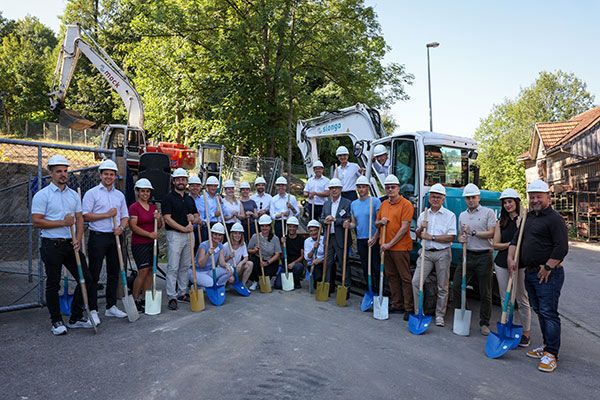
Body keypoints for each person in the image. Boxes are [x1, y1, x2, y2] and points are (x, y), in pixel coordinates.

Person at [508, 180, 568, 373]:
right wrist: (511, 257)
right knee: (540, 310)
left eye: (538, 197)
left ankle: (551, 354)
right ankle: (546, 345)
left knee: (549, 312)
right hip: (531, 272)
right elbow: (517, 239)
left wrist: (549, 267)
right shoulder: (529, 217)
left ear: (547, 198)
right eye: (532, 197)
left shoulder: (554, 219)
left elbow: (561, 247)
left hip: (548, 275)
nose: (534, 200)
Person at [32, 155, 93, 334]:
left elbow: (80, 218)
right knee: (53, 283)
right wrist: (62, 223)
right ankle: (56, 321)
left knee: (87, 280)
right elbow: (36, 221)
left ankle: (75, 317)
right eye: (58, 171)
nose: (63, 174)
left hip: (70, 245)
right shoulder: (42, 195)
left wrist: (78, 237)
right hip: (51, 245)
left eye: (65, 171)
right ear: (50, 173)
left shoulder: (73, 195)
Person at [82, 159, 129, 324]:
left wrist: (121, 228)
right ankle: (93, 309)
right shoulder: (92, 193)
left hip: (115, 236)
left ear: (115, 176)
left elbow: (125, 217)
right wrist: (106, 215)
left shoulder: (119, 195)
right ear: (100, 175)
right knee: (93, 273)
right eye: (106, 174)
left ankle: (111, 307)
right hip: (98, 236)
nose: (109, 177)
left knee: (113, 272)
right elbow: (85, 215)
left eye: (112, 174)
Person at [451, 183, 497, 335]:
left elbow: (491, 233)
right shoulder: (462, 215)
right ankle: (463, 313)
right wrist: (462, 237)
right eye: (468, 198)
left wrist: (473, 232)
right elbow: (459, 235)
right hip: (467, 254)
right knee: (457, 285)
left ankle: (484, 323)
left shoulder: (488, 212)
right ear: (465, 199)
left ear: (478, 197)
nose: (470, 200)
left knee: (485, 292)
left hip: (484, 255)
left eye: (473, 197)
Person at [412, 183, 456, 327]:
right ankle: (419, 312)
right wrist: (420, 228)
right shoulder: (423, 214)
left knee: (442, 286)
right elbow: (418, 235)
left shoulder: (449, 216)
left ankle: (439, 315)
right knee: (416, 282)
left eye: (438, 197)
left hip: (442, 253)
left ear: (443, 199)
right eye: (433, 197)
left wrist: (432, 237)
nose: (435, 199)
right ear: (429, 198)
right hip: (426, 253)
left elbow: (451, 237)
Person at [493, 188, 532, 346]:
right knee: (506, 298)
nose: (508, 205)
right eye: (505, 202)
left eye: (510, 201)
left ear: (516, 202)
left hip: (521, 264)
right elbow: (495, 245)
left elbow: (528, 243)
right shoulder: (500, 222)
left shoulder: (524, 221)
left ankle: (526, 333)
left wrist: (519, 228)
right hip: (502, 264)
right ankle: (507, 327)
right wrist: (511, 245)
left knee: (522, 299)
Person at [374, 174, 414, 320]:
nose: (390, 190)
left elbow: (404, 228)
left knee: (405, 277)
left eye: (393, 187)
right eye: (388, 187)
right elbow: (376, 223)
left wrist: (390, 244)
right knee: (391, 276)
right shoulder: (384, 204)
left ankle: (409, 307)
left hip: (400, 248)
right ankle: (397, 304)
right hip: (385, 247)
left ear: (398, 188)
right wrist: (381, 222)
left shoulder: (406, 205)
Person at [161, 168, 199, 310]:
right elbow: (167, 219)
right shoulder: (168, 198)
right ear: (174, 181)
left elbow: (196, 215)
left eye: (183, 179)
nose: (181, 181)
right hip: (175, 236)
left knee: (185, 266)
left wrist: (193, 219)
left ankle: (182, 292)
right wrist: (183, 229)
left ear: (186, 181)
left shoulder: (189, 199)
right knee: (173, 266)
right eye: (178, 179)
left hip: (189, 235)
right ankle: (172, 296)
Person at [128, 178, 162, 312]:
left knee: (150, 272)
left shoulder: (153, 207)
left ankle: (146, 298)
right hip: (140, 244)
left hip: (152, 243)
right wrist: (148, 234)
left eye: (147, 191)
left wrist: (158, 219)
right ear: (137, 192)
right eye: (142, 191)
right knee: (142, 271)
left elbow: (158, 226)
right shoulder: (134, 207)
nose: (145, 194)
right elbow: (133, 226)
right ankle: (135, 298)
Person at [347, 175, 381, 293]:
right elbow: (354, 223)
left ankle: (378, 290)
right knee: (365, 266)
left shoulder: (375, 202)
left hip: (373, 238)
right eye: (359, 187)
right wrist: (348, 225)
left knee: (375, 266)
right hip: (361, 239)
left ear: (368, 188)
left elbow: (379, 223)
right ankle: (369, 289)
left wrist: (375, 237)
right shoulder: (354, 204)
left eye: (364, 187)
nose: (361, 189)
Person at [320, 178, 352, 296]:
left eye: (336, 188)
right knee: (327, 263)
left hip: (341, 237)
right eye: (332, 188)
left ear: (340, 189)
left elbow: (348, 219)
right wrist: (325, 221)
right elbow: (321, 218)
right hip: (329, 237)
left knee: (344, 264)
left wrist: (335, 220)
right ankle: (328, 287)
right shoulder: (326, 203)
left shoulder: (347, 203)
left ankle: (346, 289)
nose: (334, 190)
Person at [191, 222, 233, 288]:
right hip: (198, 272)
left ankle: (218, 286)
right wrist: (208, 254)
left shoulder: (220, 246)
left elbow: (221, 262)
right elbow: (201, 265)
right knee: (211, 283)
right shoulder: (203, 245)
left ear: (222, 236)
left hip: (210, 271)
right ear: (211, 234)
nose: (217, 237)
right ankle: (199, 286)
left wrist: (226, 265)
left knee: (230, 270)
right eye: (215, 234)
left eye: (219, 235)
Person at [247, 215, 282, 291]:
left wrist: (267, 263)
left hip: (270, 261)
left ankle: (265, 280)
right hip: (258, 260)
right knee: (252, 261)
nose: (264, 228)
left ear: (270, 227)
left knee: (269, 271)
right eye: (262, 226)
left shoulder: (275, 238)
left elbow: (277, 254)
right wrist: (255, 250)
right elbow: (249, 250)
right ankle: (255, 281)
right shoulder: (255, 236)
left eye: (266, 226)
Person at [274, 216, 305, 289]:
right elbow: (280, 255)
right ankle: (291, 280)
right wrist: (282, 244)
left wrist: (293, 263)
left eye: (294, 227)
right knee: (278, 285)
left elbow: (302, 256)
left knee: (298, 267)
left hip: (296, 264)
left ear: (297, 228)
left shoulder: (301, 239)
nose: (292, 229)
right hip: (286, 265)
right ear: (287, 227)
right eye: (290, 226)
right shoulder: (284, 239)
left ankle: (296, 281)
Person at [196, 175, 220, 240]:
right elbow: (202, 217)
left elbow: (221, 214)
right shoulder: (202, 198)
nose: (213, 188)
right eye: (211, 186)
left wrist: (221, 204)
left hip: (217, 225)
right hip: (206, 226)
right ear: (207, 187)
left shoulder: (218, 198)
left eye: (215, 186)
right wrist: (213, 214)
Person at [304, 219, 326, 289]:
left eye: (315, 230)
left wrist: (321, 260)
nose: (313, 233)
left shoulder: (325, 239)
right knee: (317, 280)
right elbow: (307, 257)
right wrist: (313, 249)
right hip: (313, 264)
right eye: (311, 231)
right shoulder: (307, 241)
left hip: (324, 262)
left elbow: (330, 254)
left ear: (319, 231)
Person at [188, 175, 204, 255]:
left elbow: (206, 215)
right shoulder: (185, 199)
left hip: (201, 228)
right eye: (193, 185)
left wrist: (202, 221)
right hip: (189, 229)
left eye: (197, 185)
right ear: (189, 187)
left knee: (200, 250)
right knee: (189, 251)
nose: (195, 188)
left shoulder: (203, 200)